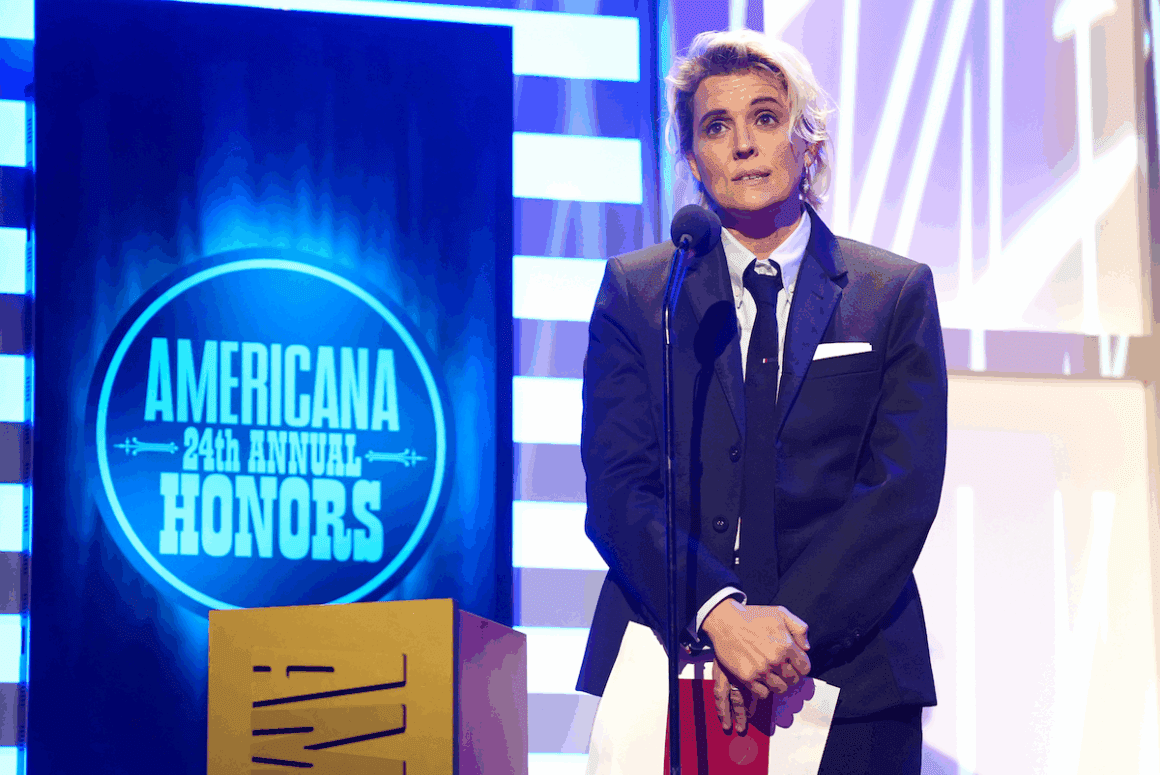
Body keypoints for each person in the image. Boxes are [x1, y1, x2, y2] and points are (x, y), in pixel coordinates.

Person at [576, 29, 947, 775]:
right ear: (693, 163)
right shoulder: (642, 293)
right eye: (716, 126)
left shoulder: (893, 293)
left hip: (850, 665)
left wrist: (777, 638)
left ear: (808, 143)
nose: (742, 143)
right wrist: (720, 614)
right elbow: (618, 487)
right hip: (667, 650)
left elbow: (899, 492)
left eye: (766, 118)